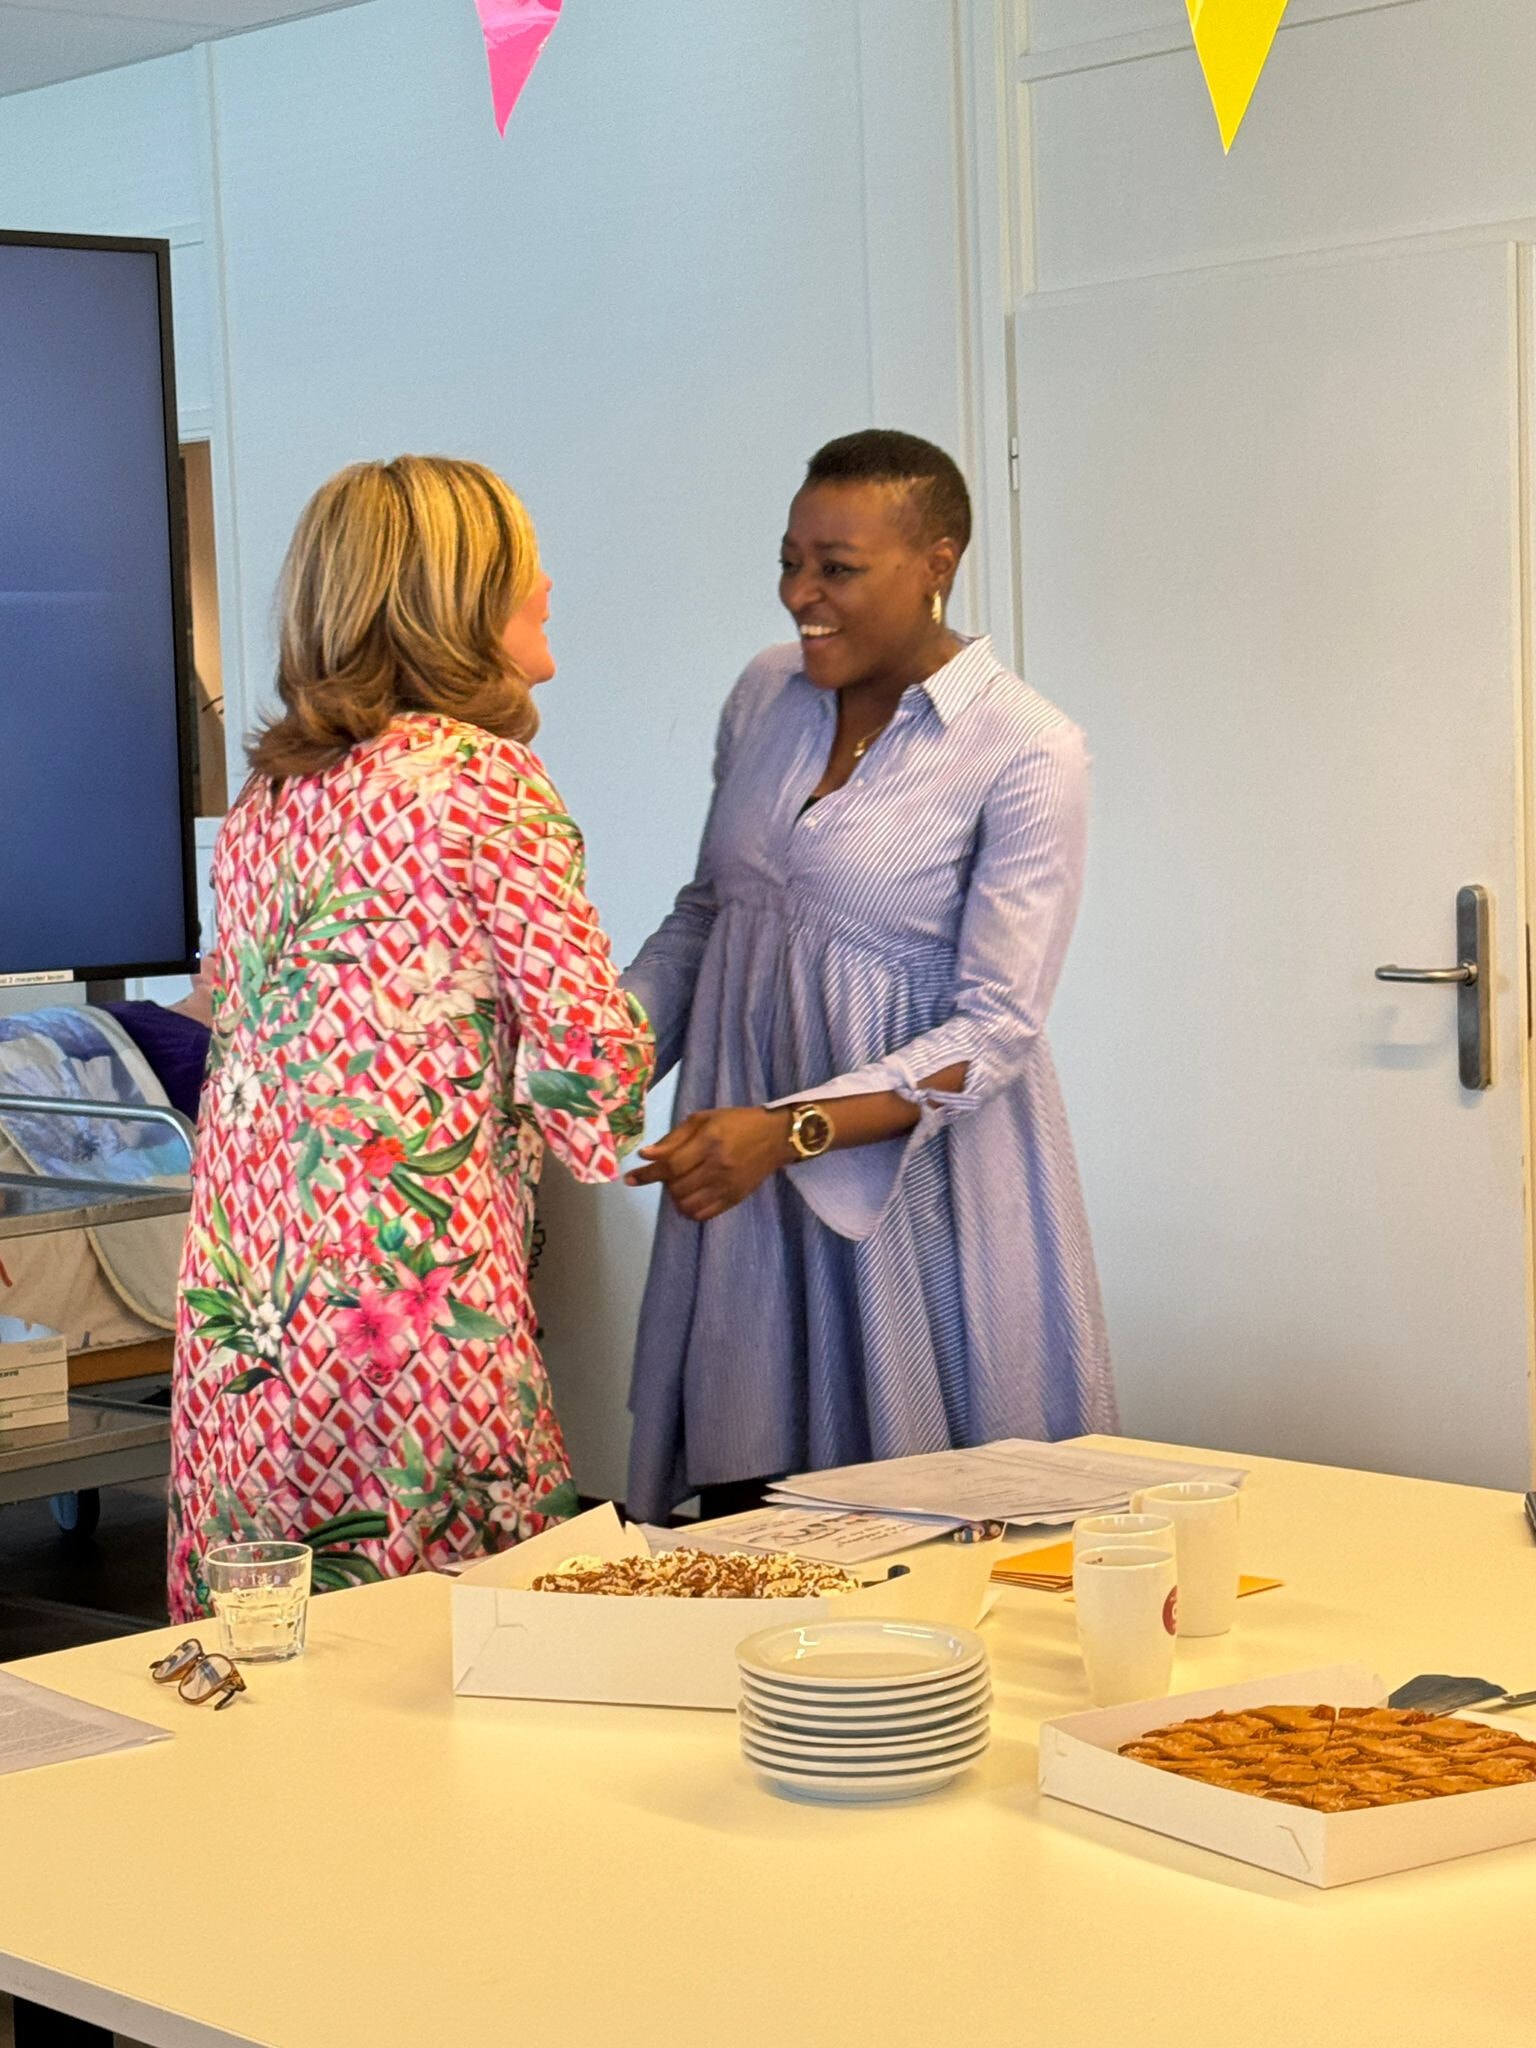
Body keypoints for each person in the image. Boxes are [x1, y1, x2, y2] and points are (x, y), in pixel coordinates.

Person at [168, 457, 652, 1619]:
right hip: (414, 1318)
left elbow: (236, 1028)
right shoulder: (488, 781)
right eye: (517, 562)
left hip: (248, 1311)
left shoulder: (268, 805)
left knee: (266, 1654)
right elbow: (590, 1067)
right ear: (453, 595)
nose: (546, 582)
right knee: (463, 1660)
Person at [623, 429, 1114, 1523]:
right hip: (745, 1188)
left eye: (836, 568)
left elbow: (996, 1027)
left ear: (937, 560)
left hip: (912, 1197)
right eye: (790, 560)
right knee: (748, 1519)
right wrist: (594, 1058)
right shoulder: (765, 695)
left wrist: (787, 1128)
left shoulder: (1028, 749)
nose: (803, 593)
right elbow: (713, 911)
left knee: (917, 1527)